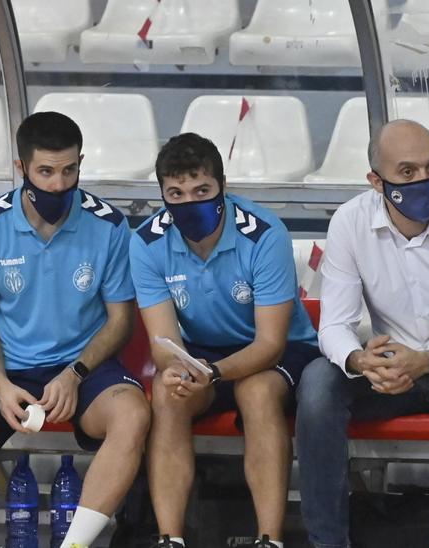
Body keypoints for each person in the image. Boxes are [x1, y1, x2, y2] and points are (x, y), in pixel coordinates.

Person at [0, 112, 149, 548]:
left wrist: (74, 373)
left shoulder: (109, 225)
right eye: (46, 171)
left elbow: (120, 321)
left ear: (81, 163)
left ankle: (74, 545)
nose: (58, 184)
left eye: (70, 170)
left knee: (133, 415)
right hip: (10, 369)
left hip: (84, 370)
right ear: (22, 168)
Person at [296, 120, 429, 548]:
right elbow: (336, 326)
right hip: (387, 371)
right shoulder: (351, 221)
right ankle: (327, 542)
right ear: (376, 182)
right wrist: (358, 360)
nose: (424, 180)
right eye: (407, 172)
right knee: (318, 384)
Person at [129, 133, 320, 548]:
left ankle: (269, 539)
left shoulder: (264, 234)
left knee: (256, 392)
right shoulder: (145, 242)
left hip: (281, 350)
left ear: (223, 186)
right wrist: (180, 371)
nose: (189, 202)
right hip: (200, 355)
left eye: (202, 190)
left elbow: (270, 343)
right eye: (175, 193)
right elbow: (163, 341)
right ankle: (169, 538)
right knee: (168, 394)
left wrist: (213, 374)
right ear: (162, 194)